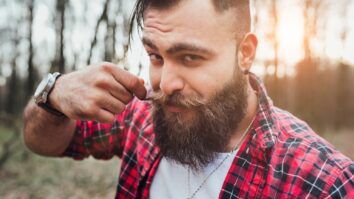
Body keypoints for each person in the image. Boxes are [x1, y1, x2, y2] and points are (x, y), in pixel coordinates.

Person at [23, 0, 353, 198]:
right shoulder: (143, 117)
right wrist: (54, 95)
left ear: (246, 53)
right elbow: (44, 142)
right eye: (155, 55)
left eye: (191, 58)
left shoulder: (321, 183)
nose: (166, 84)